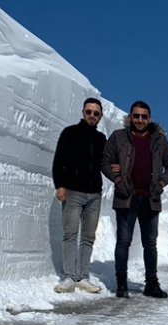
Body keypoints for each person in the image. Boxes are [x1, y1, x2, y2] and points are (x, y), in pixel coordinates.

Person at [101, 100, 168, 298]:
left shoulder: (159, 140)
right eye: (136, 116)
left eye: (144, 116)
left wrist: (161, 182)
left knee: (150, 244)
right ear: (130, 117)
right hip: (126, 197)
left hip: (150, 199)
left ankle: (151, 284)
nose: (140, 120)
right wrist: (117, 178)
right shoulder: (119, 137)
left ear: (149, 118)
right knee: (123, 242)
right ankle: (121, 284)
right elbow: (105, 161)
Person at [51, 97, 107, 293]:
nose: (92, 115)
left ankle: (83, 277)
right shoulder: (70, 133)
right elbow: (59, 161)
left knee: (88, 237)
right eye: (89, 112)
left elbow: (105, 164)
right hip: (72, 192)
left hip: (94, 195)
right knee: (70, 235)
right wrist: (60, 185)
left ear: (100, 117)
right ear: (83, 112)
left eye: (96, 113)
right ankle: (69, 277)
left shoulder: (101, 140)